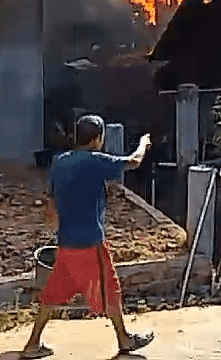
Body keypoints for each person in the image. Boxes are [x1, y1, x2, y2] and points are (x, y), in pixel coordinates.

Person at [20, 115, 154, 359]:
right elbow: (134, 161)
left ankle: (32, 344)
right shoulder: (95, 161)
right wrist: (143, 143)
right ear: (97, 138)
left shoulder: (60, 161)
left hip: (66, 241)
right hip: (90, 242)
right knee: (110, 289)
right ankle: (124, 340)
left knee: (53, 294)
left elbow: (51, 204)